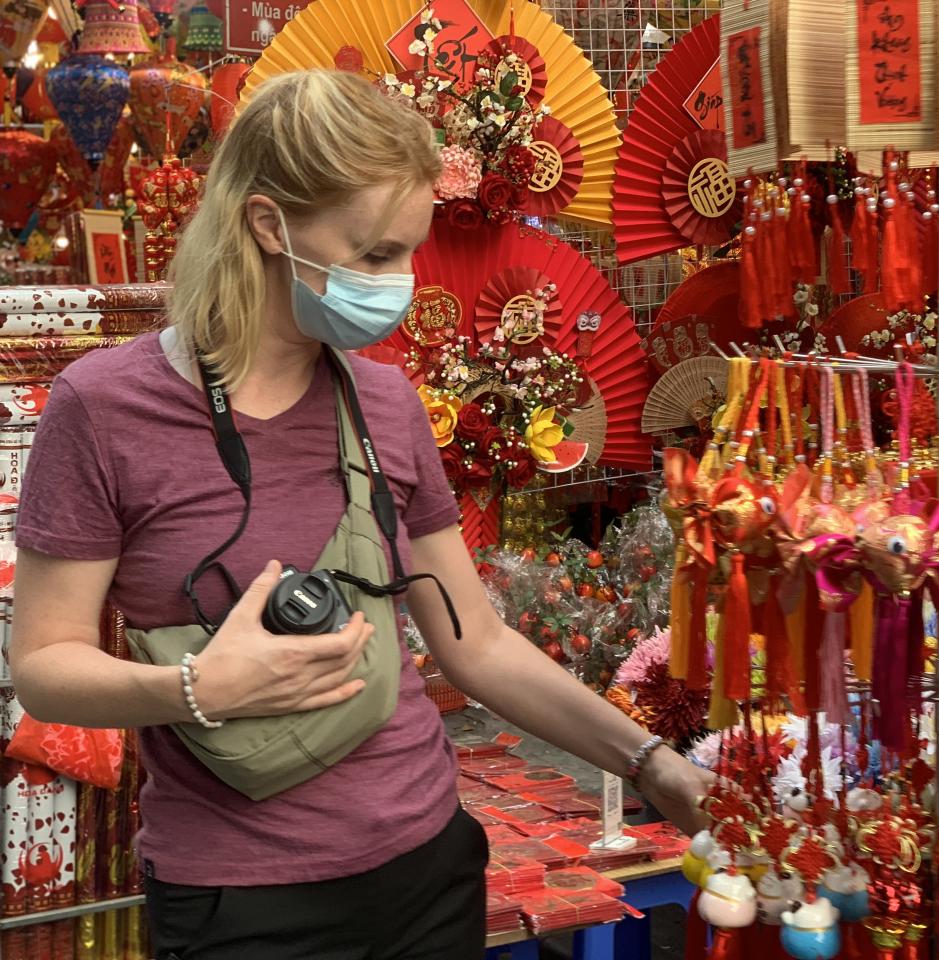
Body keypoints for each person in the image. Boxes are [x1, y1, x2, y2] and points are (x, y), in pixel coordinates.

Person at [10, 70, 709, 960]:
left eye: (408, 252)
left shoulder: (384, 405)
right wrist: (193, 689)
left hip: (427, 866)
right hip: (240, 900)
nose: (401, 283)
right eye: (375, 255)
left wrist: (653, 762)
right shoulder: (105, 407)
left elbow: (475, 643)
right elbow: (43, 666)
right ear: (269, 225)